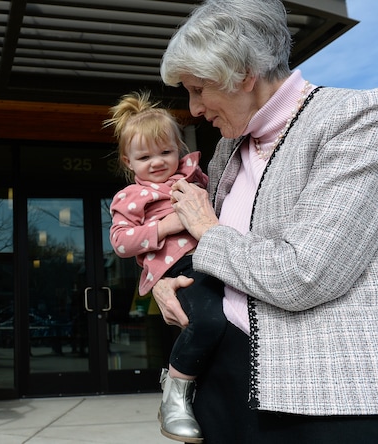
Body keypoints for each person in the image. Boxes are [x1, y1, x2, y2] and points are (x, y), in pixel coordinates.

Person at [151, 0, 378, 442]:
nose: (195, 108)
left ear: (244, 73)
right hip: (223, 386)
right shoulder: (231, 146)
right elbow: (225, 254)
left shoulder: (360, 118)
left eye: (199, 88)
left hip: (322, 398)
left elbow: (304, 274)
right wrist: (173, 281)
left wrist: (206, 230)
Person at [105, 91, 225, 443]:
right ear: (129, 161)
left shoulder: (197, 179)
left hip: (215, 257)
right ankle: (174, 394)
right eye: (145, 157)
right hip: (176, 266)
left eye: (166, 152)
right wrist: (166, 227)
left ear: (179, 149)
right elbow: (121, 242)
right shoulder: (131, 197)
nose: (157, 162)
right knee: (206, 320)